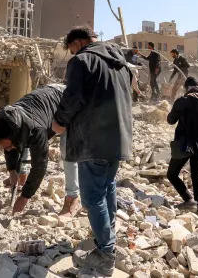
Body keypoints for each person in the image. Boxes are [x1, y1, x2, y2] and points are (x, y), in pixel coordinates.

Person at [55, 26, 133, 277]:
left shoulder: (82, 59)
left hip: (93, 140)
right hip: (118, 139)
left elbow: (73, 96)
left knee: (91, 197)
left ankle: (105, 253)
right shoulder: (121, 62)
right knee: (107, 186)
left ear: (77, 43)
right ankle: (107, 239)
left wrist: (60, 121)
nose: (71, 54)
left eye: (70, 50)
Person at [0, 84, 80, 215]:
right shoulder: (3, 121)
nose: (8, 149)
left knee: (67, 150)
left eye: (9, 146)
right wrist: (12, 170)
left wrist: (25, 197)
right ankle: (21, 176)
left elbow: (40, 166)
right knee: (20, 143)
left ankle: (72, 197)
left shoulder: (36, 130)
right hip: (45, 96)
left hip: (68, 100)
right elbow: (9, 146)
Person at [166, 76, 198, 213]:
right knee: (196, 175)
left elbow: (170, 120)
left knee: (172, 173)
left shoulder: (183, 101)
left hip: (184, 143)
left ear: (186, 88)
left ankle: (188, 199)